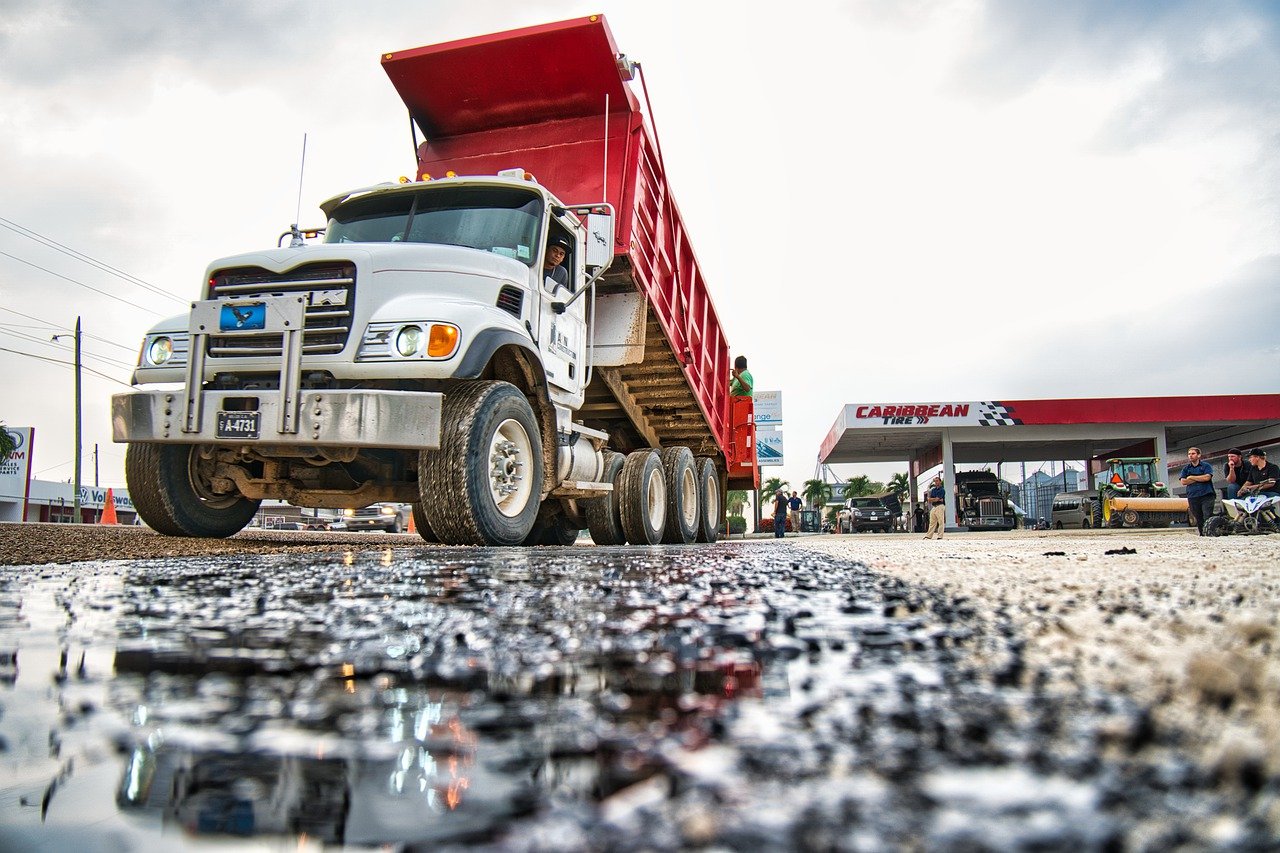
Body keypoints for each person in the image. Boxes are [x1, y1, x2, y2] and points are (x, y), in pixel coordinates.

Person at [1179, 446, 1216, 535]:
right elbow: (1183, 481)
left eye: (1193, 453)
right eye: (1189, 454)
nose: (1190, 456)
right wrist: (1200, 478)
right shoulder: (1186, 469)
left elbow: (1207, 477)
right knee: (1198, 517)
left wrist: (1191, 477)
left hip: (1206, 495)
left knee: (1207, 515)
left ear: (1199, 455)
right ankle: (1202, 534)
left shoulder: (1206, 466)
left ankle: (1210, 533)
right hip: (1193, 496)